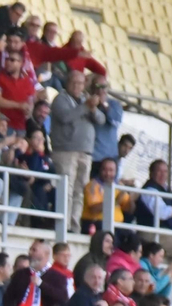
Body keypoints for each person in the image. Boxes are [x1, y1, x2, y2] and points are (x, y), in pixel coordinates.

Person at [49, 70, 104, 226]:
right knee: (66, 189)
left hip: (85, 152)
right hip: (66, 151)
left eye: (80, 83)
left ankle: (73, 224)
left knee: (79, 190)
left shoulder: (85, 99)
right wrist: (86, 106)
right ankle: (63, 224)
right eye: (74, 82)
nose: (77, 86)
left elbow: (101, 119)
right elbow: (66, 117)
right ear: (67, 83)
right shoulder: (60, 99)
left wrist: (93, 109)